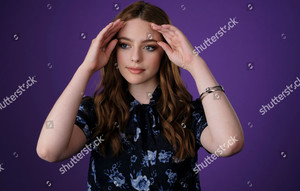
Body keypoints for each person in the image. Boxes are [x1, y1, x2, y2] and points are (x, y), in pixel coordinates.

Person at [36, 1, 244, 190]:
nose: (135, 57)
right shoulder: (97, 111)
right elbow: (48, 151)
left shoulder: (187, 113)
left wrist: (195, 63)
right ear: (113, 49)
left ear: (165, 51)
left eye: (149, 47)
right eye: (125, 45)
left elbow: (230, 143)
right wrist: (86, 68)